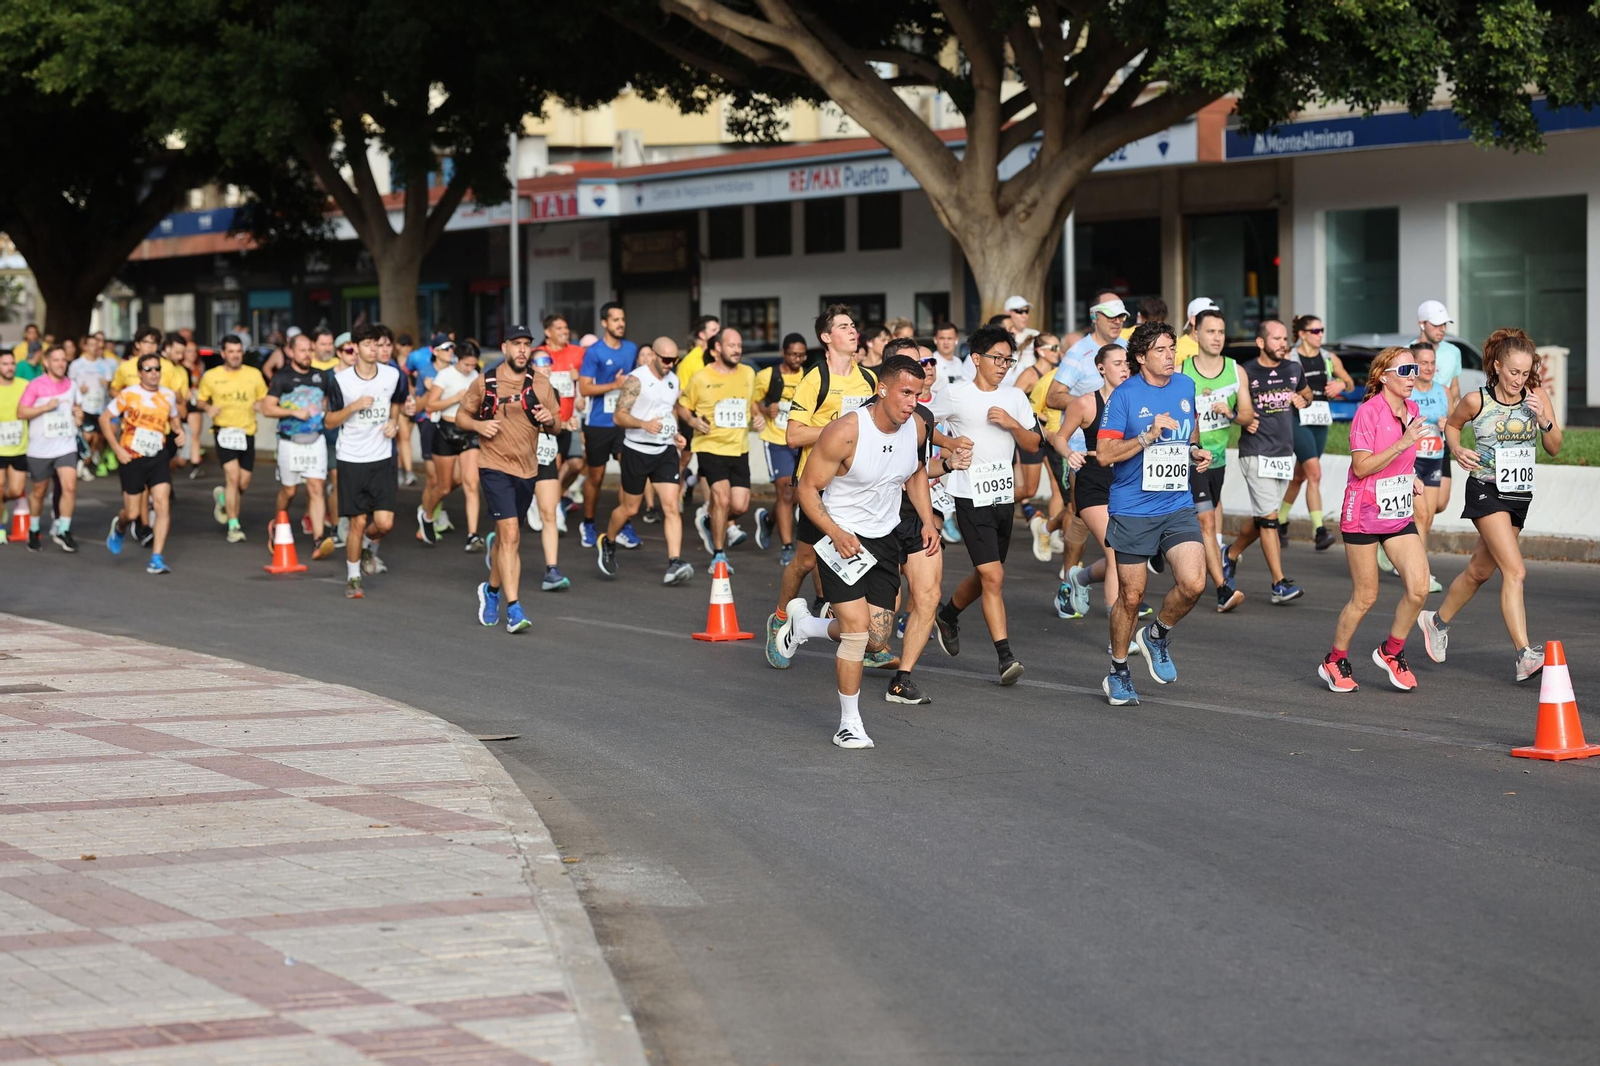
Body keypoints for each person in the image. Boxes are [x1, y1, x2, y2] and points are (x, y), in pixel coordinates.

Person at [772, 354, 940, 747]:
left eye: (918, 394)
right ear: (882, 389)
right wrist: (833, 530)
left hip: (884, 539)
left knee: (877, 638)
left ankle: (806, 625)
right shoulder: (846, 432)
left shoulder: (914, 428)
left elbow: (915, 472)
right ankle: (849, 723)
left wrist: (928, 520)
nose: (913, 401)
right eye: (905, 392)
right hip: (839, 538)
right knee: (854, 634)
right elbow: (807, 490)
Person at [1417, 328, 1562, 683]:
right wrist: (1458, 449)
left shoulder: (1536, 395)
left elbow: (1555, 446)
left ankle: (1435, 622)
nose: (1519, 380)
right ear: (1497, 366)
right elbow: (1452, 426)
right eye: (1513, 372)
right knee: (1515, 571)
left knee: (1480, 572)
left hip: (1518, 495)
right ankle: (1524, 654)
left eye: (1525, 373)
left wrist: (1543, 418)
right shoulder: (1475, 400)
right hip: (1485, 490)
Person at [1095, 322, 1212, 707]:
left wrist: (1195, 452)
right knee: (1131, 596)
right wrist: (1147, 436)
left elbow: (1189, 434)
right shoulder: (1124, 397)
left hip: (1176, 503)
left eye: (1172, 348)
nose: (1169, 356)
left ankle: (1157, 634)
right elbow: (1106, 454)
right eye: (1160, 350)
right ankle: (1118, 672)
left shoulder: (1185, 386)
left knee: (1194, 583)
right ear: (1141, 358)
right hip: (1132, 508)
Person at [764, 305, 882, 668]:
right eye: (843, 326)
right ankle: (781, 618)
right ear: (826, 337)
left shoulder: (868, 380)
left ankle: (868, 634)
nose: (853, 331)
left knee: (867, 557)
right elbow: (793, 434)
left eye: (853, 325)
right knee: (805, 559)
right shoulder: (816, 379)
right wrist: (838, 431)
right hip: (818, 487)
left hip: (858, 487)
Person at [930, 324, 1042, 685]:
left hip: (1002, 496)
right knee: (994, 576)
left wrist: (1011, 423)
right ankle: (1005, 657)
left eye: (1008, 359)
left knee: (985, 575)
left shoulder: (1015, 398)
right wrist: (948, 443)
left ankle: (948, 615)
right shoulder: (955, 394)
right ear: (976, 359)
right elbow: (922, 422)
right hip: (969, 495)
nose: (1003, 364)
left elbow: (1033, 444)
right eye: (997, 357)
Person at [1319, 347, 1430, 693]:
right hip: (1364, 513)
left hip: (1396, 513)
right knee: (1365, 597)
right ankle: (1334, 659)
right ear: (1384, 376)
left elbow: (1400, 459)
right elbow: (1362, 466)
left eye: (1415, 370)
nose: (1413, 376)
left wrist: (1409, 475)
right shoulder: (1367, 413)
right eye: (1405, 370)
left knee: (1419, 588)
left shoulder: (1412, 409)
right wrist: (1402, 444)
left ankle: (1391, 651)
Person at [457, 325, 560, 632]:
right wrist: (479, 427)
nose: (523, 350)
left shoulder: (541, 383)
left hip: (527, 469)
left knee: (504, 538)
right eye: (517, 344)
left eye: (527, 344)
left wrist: (549, 420)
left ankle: (490, 590)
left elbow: (557, 427)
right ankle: (513, 608)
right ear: (504, 347)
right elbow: (461, 416)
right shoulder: (485, 382)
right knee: (511, 533)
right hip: (494, 466)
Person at [1223, 319, 1309, 604]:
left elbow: (1307, 393)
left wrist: (1302, 399)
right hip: (1255, 452)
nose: (1283, 344)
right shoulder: (1245, 371)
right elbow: (1233, 408)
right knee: (1270, 519)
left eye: (1285, 339)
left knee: (1264, 516)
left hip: (1284, 453)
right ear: (1261, 342)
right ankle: (1278, 584)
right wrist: (1240, 419)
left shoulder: (1294, 368)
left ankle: (1230, 554)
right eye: (1277, 339)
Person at [324, 324, 412, 599]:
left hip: (382, 457)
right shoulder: (341, 380)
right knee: (358, 522)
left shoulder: (393, 374)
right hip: (351, 458)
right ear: (356, 348)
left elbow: (397, 403)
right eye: (368, 345)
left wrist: (394, 423)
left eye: (378, 344)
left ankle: (362, 549)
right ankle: (353, 578)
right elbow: (328, 421)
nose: (374, 349)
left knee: (384, 524)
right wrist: (353, 406)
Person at [601, 338, 692, 584]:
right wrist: (643, 424)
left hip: (664, 451)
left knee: (671, 505)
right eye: (665, 360)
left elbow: (669, 409)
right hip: (637, 450)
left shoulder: (673, 380)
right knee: (630, 508)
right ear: (653, 355)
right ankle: (608, 541)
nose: (670, 364)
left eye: (675, 360)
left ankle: (674, 562)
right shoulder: (636, 379)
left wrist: (676, 434)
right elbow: (619, 416)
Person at [1052, 343, 1130, 619]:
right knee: (1115, 552)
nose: (1125, 368)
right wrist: (1069, 453)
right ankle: (1119, 633)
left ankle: (1080, 578)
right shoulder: (1085, 403)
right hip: (1094, 478)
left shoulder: (1136, 400)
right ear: (1101, 368)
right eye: (1118, 363)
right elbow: (1059, 437)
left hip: (1128, 480)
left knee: (1130, 556)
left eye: (1127, 363)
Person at [1181, 308, 1251, 612]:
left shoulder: (1236, 371)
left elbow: (1248, 416)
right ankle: (1223, 589)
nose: (1217, 337)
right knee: (1206, 521)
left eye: (1221, 332)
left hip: (1219, 461)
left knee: (1200, 521)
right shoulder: (1183, 371)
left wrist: (1231, 413)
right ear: (1196, 334)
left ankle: (1159, 546)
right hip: (1191, 457)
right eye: (1210, 331)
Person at [677, 328, 762, 573]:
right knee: (722, 499)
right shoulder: (701, 377)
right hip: (710, 446)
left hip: (739, 448)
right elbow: (683, 406)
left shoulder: (748, 373)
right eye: (731, 345)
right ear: (717, 349)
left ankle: (710, 519)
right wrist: (692, 422)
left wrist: (757, 417)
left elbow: (753, 403)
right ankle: (719, 554)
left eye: (739, 345)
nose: (737, 350)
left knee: (740, 506)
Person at [101, 353, 184, 573]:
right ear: (139, 373)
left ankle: (156, 557)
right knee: (133, 514)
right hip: (131, 457)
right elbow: (104, 418)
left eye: (157, 369)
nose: (154, 373)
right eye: (148, 369)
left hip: (157, 456)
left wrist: (179, 430)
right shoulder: (128, 394)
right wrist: (117, 448)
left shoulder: (167, 395)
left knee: (162, 504)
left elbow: (174, 417)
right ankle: (119, 527)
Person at [261, 332, 337, 561]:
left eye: (309, 350)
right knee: (290, 490)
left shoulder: (321, 376)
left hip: (315, 440)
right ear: (291, 352)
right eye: (302, 350)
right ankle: (278, 523)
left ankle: (319, 539)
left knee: (316, 487)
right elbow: (267, 408)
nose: (307, 355)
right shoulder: (283, 377)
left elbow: (326, 403)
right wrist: (293, 411)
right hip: (290, 442)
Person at [1281, 314, 1354, 551]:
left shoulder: (1329, 358)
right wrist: (1290, 395)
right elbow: (1273, 384)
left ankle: (1280, 521)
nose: (1320, 334)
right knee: (1315, 473)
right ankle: (1319, 530)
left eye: (1321, 330)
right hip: (1296, 419)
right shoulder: (1289, 357)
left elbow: (1350, 382)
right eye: (1314, 331)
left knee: (1300, 475)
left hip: (1320, 419)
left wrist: (1340, 385)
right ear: (1301, 334)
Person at [195, 335, 268, 543]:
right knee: (233, 478)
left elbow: (264, 398)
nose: (236, 355)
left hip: (247, 432)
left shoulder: (254, 374)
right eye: (231, 351)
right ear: (223, 353)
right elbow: (200, 401)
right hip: (224, 432)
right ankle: (234, 525)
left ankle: (223, 498)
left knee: (243, 482)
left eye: (239, 351)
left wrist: (260, 405)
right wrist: (208, 407)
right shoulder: (211, 376)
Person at [578, 303, 639, 548]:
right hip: (599, 423)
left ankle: (624, 524)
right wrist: (614, 385)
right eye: (615, 320)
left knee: (629, 473)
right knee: (596, 476)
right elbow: (584, 388)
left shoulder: (631, 348)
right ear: (604, 323)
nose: (620, 324)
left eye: (622, 319)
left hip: (624, 421)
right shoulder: (594, 352)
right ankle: (589, 522)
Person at [418, 340, 484, 553]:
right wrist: (456, 398)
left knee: (472, 483)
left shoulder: (476, 376)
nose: (469, 369)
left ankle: (473, 535)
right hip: (445, 431)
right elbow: (430, 405)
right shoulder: (445, 375)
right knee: (444, 486)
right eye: (466, 364)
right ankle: (427, 514)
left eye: (473, 365)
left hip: (469, 432)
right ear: (458, 359)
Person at [17, 345, 85, 551]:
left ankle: (64, 529)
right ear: (46, 363)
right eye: (55, 360)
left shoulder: (72, 385)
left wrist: (78, 415)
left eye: (63, 359)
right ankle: (34, 528)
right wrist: (45, 407)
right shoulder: (35, 385)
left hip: (66, 445)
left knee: (70, 486)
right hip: (40, 448)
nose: (61, 363)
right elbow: (21, 412)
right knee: (38, 491)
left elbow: (78, 409)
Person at [753, 333, 809, 563]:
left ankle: (768, 520)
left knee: (797, 494)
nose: (797, 359)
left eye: (802, 354)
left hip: (802, 439)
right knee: (786, 492)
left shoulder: (809, 376)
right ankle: (787, 546)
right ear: (783, 353)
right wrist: (765, 412)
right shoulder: (767, 375)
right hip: (776, 438)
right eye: (793, 354)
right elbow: (754, 402)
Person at [532, 313, 588, 543]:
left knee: (576, 463)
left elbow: (587, 381)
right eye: (559, 328)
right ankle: (552, 508)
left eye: (566, 327)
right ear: (548, 332)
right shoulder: (540, 355)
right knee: (553, 466)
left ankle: (552, 499)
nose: (565, 331)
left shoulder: (577, 353)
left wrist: (580, 387)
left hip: (570, 419)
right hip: (548, 424)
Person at [1406, 341, 1449, 592]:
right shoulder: (1408, 391)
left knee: (1428, 517)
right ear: (1414, 365)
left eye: (1432, 363)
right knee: (1421, 515)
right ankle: (1423, 574)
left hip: (1435, 457)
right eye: (1424, 363)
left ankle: (1394, 541)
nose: (1429, 367)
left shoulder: (1443, 390)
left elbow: (1453, 423)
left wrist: (1447, 424)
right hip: (1412, 460)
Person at [69, 334, 115, 476]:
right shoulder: (77, 365)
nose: (94, 348)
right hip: (85, 407)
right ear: (85, 346)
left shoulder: (105, 365)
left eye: (96, 345)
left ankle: (85, 463)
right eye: (91, 345)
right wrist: (79, 389)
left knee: (97, 439)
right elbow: (70, 384)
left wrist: (107, 385)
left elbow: (110, 385)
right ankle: (80, 463)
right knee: (87, 436)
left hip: (100, 406)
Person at [0, 352, 29, 534]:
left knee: (17, 491)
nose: (9, 367)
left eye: (12, 363)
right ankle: (0, 527)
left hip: (19, 447)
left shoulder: (24, 385)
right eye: (5, 364)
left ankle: (2, 504)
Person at [928, 321, 972, 392]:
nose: (946, 342)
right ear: (935, 339)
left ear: (956, 339)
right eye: (942, 338)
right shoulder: (930, 363)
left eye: (949, 338)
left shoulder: (958, 362)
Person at [1174, 297, 1218, 364]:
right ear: (1193, 320)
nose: (1212, 321)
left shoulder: (1215, 345)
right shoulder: (1179, 349)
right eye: (1207, 316)